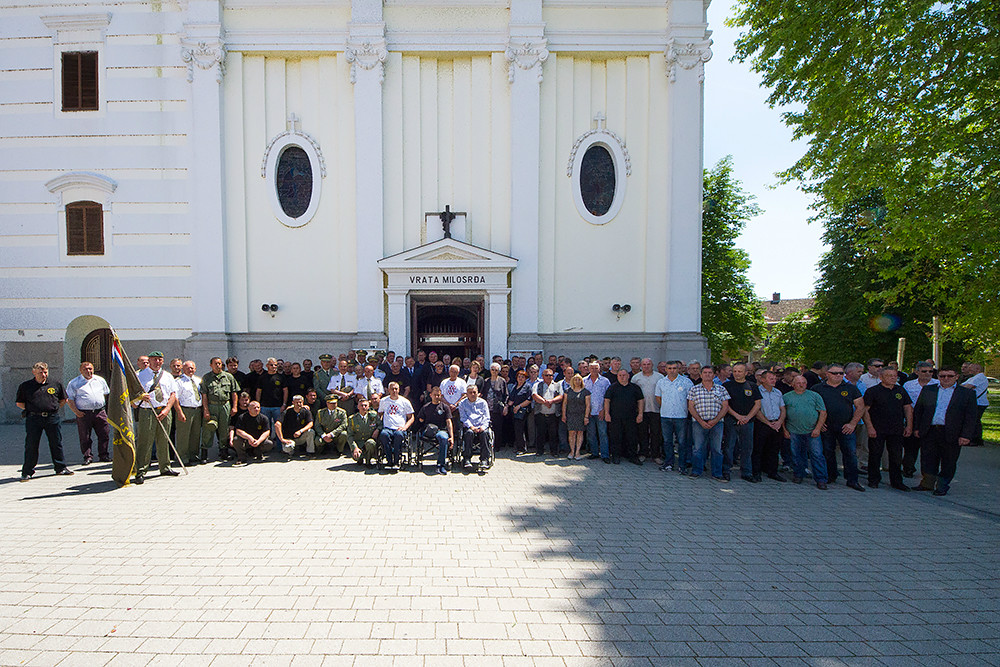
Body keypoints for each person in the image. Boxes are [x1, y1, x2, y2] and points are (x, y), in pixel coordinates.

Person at [912, 366, 978, 495]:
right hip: (930, 430)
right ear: (938, 377)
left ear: (956, 377)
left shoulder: (966, 393)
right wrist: (917, 428)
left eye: (950, 376)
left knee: (949, 460)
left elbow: (971, 417)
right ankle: (927, 483)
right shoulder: (928, 390)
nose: (946, 378)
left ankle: (942, 485)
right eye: (942, 376)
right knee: (928, 458)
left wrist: (966, 435)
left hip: (952, 432)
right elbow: (919, 411)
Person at [16, 361, 73, 481]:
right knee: (31, 444)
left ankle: (60, 467)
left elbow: (63, 400)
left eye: (45, 372)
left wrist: (53, 408)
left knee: (56, 443)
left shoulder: (55, 384)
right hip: (34, 418)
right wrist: (33, 408)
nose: (43, 375)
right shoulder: (26, 386)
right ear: (34, 372)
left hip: (52, 418)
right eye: (40, 372)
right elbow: (19, 403)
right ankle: (27, 472)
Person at [813, 363, 866, 491]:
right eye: (834, 373)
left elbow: (860, 406)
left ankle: (852, 480)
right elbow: (811, 406)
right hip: (826, 427)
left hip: (846, 427)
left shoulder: (851, 388)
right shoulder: (817, 388)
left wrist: (853, 423)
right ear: (827, 374)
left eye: (841, 373)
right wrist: (819, 423)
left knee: (850, 453)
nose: (838, 375)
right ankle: (831, 476)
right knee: (828, 452)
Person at [132, 351, 179, 483]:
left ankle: (165, 467)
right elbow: (132, 393)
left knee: (164, 439)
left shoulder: (167, 376)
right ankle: (141, 470)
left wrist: (167, 409)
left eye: (159, 359)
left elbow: (173, 394)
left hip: (164, 410)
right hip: (147, 411)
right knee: (145, 441)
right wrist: (140, 397)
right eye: (154, 359)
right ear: (149, 361)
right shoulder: (139, 375)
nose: (157, 362)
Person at [863, 367, 913, 491]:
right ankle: (873, 479)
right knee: (875, 455)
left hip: (896, 429)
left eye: (895, 376)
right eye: (889, 375)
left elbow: (907, 408)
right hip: (877, 429)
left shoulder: (900, 390)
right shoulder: (873, 391)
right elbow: (865, 410)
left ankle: (897, 481)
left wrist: (909, 425)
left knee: (896, 456)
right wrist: (870, 427)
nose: (893, 378)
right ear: (881, 377)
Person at [781, 375, 828, 489]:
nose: (801, 385)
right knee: (796, 454)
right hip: (793, 430)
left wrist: (818, 428)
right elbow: (782, 414)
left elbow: (823, 412)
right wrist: (785, 430)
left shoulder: (815, 396)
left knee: (817, 455)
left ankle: (821, 479)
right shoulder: (786, 397)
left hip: (812, 431)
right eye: (798, 383)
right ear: (793, 384)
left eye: (803, 383)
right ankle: (798, 474)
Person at [687, 365, 729, 479]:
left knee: (717, 449)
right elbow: (691, 407)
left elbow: (725, 407)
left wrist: (715, 420)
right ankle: (696, 471)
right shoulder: (694, 389)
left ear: (714, 375)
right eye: (705, 373)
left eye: (710, 373)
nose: (707, 375)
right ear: (701, 375)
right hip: (698, 423)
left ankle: (717, 473)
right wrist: (700, 421)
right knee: (698, 448)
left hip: (717, 423)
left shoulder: (721, 389)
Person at [722, 363, 761, 483]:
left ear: (746, 373)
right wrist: (737, 416)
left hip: (748, 422)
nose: (737, 374)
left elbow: (757, 404)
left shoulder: (752, 386)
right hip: (731, 420)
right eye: (734, 371)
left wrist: (748, 417)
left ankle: (746, 472)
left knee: (747, 448)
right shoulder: (727, 385)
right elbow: (725, 404)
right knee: (729, 447)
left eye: (739, 371)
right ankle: (726, 470)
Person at [66, 361, 110, 464]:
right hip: (84, 413)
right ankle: (87, 456)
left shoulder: (100, 380)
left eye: (90, 368)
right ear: (80, 370)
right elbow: (70, 399)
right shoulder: (74, 383)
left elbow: (105, 393)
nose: (88, 371)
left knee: (104, 434)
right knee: (85, 436)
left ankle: (104, 455)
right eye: (85, 369)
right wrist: (76, 412)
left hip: (100, 412)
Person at [654, 360, 693, 473]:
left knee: (682, 442)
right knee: (667, 441)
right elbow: (658, 398)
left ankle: (682, 465)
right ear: (666, 369)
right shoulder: (661, 382)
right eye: (669, 368)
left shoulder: (686, 382)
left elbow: (690, 399)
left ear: (678, 369)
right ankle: (668, 463)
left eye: (674, 368)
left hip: (681, 416)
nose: (672, 371)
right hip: (665, 416)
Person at [902, 361, 938, 476]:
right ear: (917, 372)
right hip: (912, 417)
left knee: (929, 447)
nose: (928, 374)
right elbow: (905, 402)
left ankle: (928, 472)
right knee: (910, 446)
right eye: (924, 371)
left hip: (929, 418)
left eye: (931, 371)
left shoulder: (937, 384)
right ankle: (908, 468)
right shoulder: (909, 385)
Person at [201, 356, 239, 462]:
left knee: (224, 429)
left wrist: (235, 406)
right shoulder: (206, 378)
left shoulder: (228, 377)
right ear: (211, 365)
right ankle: (204, 453)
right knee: (208, 429)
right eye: (216, 364)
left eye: (219, 363)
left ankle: (223, 452)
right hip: (212, 406)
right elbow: (204, 395)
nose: (218, 365)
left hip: (225, 405)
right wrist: (206, 410)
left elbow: (234, 393)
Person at [605, 368, 644, 465]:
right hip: (615, 417)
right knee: (615, 437)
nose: (622, 377)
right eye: (620, 375)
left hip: (631, 417)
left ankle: (632, 456)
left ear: (628, 376)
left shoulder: (635, 387)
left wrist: (640, 414)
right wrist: (607, 413)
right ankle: (616, 456)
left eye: (624, 375)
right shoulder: (612, 387)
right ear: (617, 377)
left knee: (632, 437)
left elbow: (640, 400)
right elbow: (607, 400)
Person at [754, 370, 786, 482]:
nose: (774, 381)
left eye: (775, 379)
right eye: (771, 379)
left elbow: (782, 409)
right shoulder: (757, 391)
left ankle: (773, 472)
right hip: (762, 424)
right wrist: (767, 423)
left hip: (776, 423)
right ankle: (756, 472)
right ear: (763, 380)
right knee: (758, 449)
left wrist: (779, 422)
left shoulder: (778, 392)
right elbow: (756, 410)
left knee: (774, 449)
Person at [631, 358, 664, 463]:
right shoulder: (636, 378)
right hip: (642, 410)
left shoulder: (660, 377)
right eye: (644, 364)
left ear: (652, 365)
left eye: (648, 364)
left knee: (656, 433)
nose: (646, 366)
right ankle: (643, 453)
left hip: (656, 409)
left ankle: (656, 455)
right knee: (642, 433)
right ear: (641, 366)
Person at [377, 382, 415, 471]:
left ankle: (397, 461)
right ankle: (389, 461)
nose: (394, 391)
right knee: (383, 435)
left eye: (396, 389)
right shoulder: (383, 401)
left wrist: (405, 427)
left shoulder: (405, 401)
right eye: (392, 389)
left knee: (398, 435)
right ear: (388, 390)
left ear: (399, 390)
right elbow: (380, 414)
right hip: (387, 428)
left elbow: (411, 417)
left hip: (400, 428)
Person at [417, 386, 454, 475]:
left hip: (441, 430)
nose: (437, 397)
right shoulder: (425, 407)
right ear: (430, 395)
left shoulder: (445, 407)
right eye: (435, 395)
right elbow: (420, 420)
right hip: (428, 431)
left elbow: (449, 422)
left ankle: (441, 465)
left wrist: (452, 437)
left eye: (438, 395)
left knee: (443, 438)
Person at [173, 360, 203, 467]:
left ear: (195, 369)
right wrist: (179, 412)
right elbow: (175, 398)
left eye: (192, 368)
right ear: (183, 368)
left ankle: (193, 455)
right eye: (188, 368)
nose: (190, 370)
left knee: (195, 434)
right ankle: (183, 458)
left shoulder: (198, 380)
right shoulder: (178, 381)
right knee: (183, 435)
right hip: (185, 410)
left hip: (197, 410)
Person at [583, 361, 612, 462]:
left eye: (596, 368)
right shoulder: (584, 381)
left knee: (603, 434)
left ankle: (605, 455)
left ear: (599, 369)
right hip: (589, 413)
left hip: (601, 412)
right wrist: (587, 411)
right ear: (589, 369)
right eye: (592, 368)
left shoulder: (605, 381)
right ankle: (594, 453)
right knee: (591, 434)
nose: (594, 370)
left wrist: (604, 410)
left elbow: (608, 397)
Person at [459, 384, 492, 471]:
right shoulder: (462, 403)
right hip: (469, 427)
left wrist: (483, 426)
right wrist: (471, 427)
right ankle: (467, 459)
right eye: (470, 393)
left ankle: (484, 459)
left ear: (478, 393)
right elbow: (463, 418)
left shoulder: (483, 403)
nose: (473, 394)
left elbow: (487, 417)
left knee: (485, 433)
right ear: (467, 394)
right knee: (469, 433)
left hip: (481, 426)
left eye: (474, 392)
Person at [561, 374, 590, 460]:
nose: (577, 382)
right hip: (570, 415)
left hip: (581, 415)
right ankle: (572, 451)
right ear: (572, 381)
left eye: (579, 380)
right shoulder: (568, 391)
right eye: (575, 380)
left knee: (580, 433)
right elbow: (564, 403)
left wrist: (586, 417)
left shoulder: (586, 392)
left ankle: (577, 452)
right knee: (571, 433)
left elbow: (588, 405)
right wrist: (564, 414)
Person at [961, 363, 990, 446]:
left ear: (977, 369)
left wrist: (964, 387)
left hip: (979, 402)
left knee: (975, 421)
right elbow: (962, 386)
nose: (969, 369)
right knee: (973, 420)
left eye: (971, 368)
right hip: (975, 402)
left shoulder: (980, 377)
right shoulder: (973, 377)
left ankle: (976, 439)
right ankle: (974, 439)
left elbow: (967, 386)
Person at [256, 358, 287, 433]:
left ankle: (279, 441)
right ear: (267, 366)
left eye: (275, 365)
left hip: (278, 406)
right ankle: (267, 440)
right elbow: (259, 391)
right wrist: (258, 404)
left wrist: (284, 404)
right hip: (264, 406)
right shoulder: (262, 377)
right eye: (271, 365)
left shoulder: (281, 377)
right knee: (265, 427)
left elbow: (285, 391)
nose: (274, 367)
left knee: (278, 426)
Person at [347, 397, 380, 467]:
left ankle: (368, 461)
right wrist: (354, 448)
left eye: (365, 405)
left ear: (368, 407)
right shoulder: (352, 419)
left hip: (369, 442)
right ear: (358, 407)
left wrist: (377, 430)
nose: (363, 407)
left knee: (371, 443)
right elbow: (350, 435)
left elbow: (381, 424)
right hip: (358, 443)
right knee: (357, 456)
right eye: (361, 405)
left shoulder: (373, 416)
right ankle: (360, 458)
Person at [507, 370, 533, 455]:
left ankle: (522, 448)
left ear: (525, 378)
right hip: (514, 411)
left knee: (520, 429)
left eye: (523, 377)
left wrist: (519, 406)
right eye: (519, 377)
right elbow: (511, 399)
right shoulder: (515, 386)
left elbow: (529, 400)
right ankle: (518, 446)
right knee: (516, 429)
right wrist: (506, 406)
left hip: (523, 411)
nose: (520, 378)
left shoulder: (527, 386)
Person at [484, 363, 508, 448]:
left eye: (496, 370)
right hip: (487, 408)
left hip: (497, 409)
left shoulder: (502, 381)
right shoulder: (486, 381)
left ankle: (497, 446)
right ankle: (488, 445)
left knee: (498, 428)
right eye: (492, 370)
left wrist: (505, 406)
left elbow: (506, 395)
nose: (494, 372)